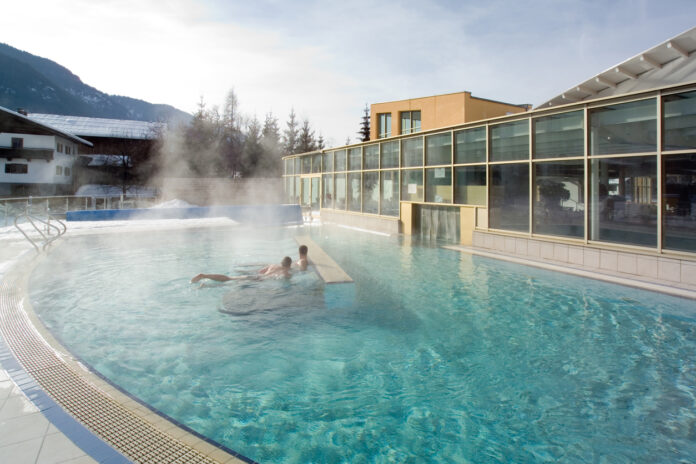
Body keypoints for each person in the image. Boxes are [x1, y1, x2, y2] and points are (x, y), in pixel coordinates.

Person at [191, 256, 292, 283]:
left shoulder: (273, 265)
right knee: (229, 280)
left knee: (230, 279)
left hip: (257, 277)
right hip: (257, 280)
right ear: (288, 265)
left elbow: (260, 271)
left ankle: (205, 279)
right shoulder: (285, 271)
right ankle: (204, 277)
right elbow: (285, 278)